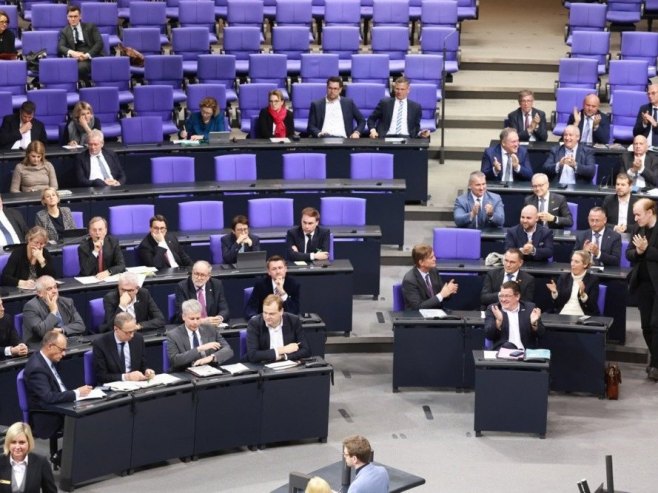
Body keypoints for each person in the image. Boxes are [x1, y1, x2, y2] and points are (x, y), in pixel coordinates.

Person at [23, 330, 92, 444]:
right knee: (87, 422)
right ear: (50, 346)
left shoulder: (45, 360)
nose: (64, 354)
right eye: (62, 350)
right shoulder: (37, 368)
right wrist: (76, 393)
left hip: (60, 407)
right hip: (48, 416)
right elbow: (48, 397)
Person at [626, 198, 658, 380]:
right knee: (646, 326)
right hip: (643, 284)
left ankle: (655, 365)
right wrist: (637, 252)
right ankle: (655, 359)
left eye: (638, 214)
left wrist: (646, 250)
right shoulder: (638, 229)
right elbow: (628, 253)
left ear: (649, 212)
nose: (635, 218)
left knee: (656, 325)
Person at [166, 299, 233, 371]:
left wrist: (212, 357)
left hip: (210, 371)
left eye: (198, 318)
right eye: (192, 319)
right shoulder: (173, 335)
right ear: (183, 317)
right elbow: (175, 361)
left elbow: (228, 350)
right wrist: (199, 349)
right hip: (185, 373)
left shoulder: (210, 329)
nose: (195, 322)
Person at [92, 312, 155, 384]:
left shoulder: (138, 339)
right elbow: (101, 376)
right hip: (114, 387)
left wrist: (147, 371)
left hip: (136, 385)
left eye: (134, 331)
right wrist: (126, 377)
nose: (132, 335)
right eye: (128, 332)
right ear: (116, 329)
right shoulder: (101, 343)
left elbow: (143, 366)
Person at [22, 276, 86, 345]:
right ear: (39, 293)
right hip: (42, 345)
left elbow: (81, 326)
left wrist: (61, 330)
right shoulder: (31, 307)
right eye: (49, 289)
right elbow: (42, 332)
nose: (54, 291)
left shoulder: (67, 302)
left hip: (65, 341)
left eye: (55, 287)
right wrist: (53, 311)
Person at [246, 294, 309, 363]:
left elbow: (306, 350)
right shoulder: (254, 323)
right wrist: (282, 350)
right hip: (264, 367)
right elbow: (252, 355)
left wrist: (284, 357)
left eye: (271, 314)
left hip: (288, 367)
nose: (267, 317)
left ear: (281, 311)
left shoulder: (294, 321)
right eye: (265, 313)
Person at [484, 280, 544, 350]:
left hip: (525, 352)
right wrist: (498, 321)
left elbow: (541, 334)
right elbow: (489, 335)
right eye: (501, 296)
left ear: (517, 296)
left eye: (507, 296)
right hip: (502, 351)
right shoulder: (494, 309)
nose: (503, 299)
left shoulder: (530, 308)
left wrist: (534, 324)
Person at [0, 422, 57, 493]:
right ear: (8, 443)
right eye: (13, 442)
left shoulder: (41, 463)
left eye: (22, 442)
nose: (17, 447)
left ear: (29, 442)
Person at [99, 272, 165, 333]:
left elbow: (160, 319)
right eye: (123, 290)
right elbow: (111, 327)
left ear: (137, 289)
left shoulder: (144, 294)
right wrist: (122, 306)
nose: (126, 294)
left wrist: (138, 326)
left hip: (139, 335)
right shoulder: (110, 298)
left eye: (130, 290)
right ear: (118, 287)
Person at [401, 244, 458, 310]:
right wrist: (442, 295)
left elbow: (440, 294)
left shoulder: (433, 271)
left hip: (436, 312)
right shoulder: (409, 280)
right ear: (421, 262)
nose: (435, 259)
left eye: (434, 256)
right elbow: (417, 307)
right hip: (419, 317)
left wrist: (448, 292)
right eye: (431, 257)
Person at [173, 260, 229, 325]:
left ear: (208, 276)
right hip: (192, 327)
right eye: (196, 274)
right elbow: (181, 314)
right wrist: (202, 321)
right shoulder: (182, 287)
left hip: (212, 327)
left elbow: (224, 309)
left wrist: (218, 319)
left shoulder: (216, 284)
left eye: (202, 275)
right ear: (192, 273)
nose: (199, 278)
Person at [57, 5, 103, 81]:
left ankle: (85, 84)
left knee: (79, 68)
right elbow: (61, 46)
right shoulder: (64, 31)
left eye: (75, 16)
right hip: (77, 57)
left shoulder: (91, 26)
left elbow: (99, 43)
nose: (73, 19)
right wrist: (73, 53)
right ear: (67, 18)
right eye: (70, 16)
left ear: (80, 17)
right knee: (71, 67)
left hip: (91, 55)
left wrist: (87, 55)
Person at [547, 250, 600, 316]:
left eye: (576, 262)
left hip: (582, 315)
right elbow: (558, 305)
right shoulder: (564, 277)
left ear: (585, 264)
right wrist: (555, 293)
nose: (572, 264)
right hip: (563, 314)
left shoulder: (592, 280)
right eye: (572, 260)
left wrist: (583, 295)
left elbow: (592, 307)